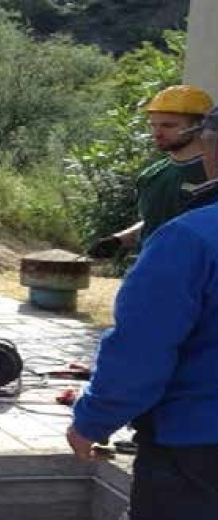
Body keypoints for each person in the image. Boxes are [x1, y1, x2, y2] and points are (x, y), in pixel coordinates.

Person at [67, 106, 218, 520]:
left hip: (196, 449)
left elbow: (142, 352)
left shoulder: (191, 240)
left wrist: (92, 421)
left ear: (211, 148)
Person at [88, 84, 213, 258]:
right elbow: (154, 221)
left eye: (168, 126)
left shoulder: (212, 174)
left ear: (200, 125)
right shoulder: (152, 175)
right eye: (153, 125)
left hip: (197, 277)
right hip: (151, 272)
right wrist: (119, 240)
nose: (157, 133)